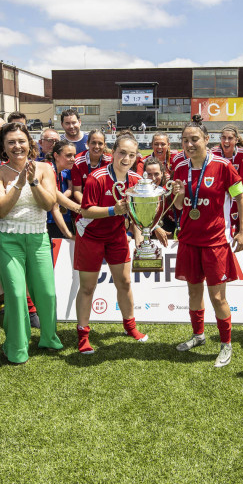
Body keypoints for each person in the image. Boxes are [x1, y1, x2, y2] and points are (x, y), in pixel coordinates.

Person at [171, 115, 243, 367]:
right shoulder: (180, 168)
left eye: (194, 139)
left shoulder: (223, 166)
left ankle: (226, 345)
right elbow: (181, 206)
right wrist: (180, 195)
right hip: (189, 239)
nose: (189, 144)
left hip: (216, 241)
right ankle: (198, 335)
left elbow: (241, 199)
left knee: (217, 298)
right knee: (193, 291)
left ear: (206, 139)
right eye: (185, 140)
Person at [0, 122, 63, 364]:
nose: (17, 146)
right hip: (7, 239)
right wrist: (19, 183)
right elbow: (0, 210)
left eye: (21, 141)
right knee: (17, 294)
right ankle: (16, 347)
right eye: (11, 142)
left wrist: (33, 182)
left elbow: (48, 203)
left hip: (38, 237)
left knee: (47, 293)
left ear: (29, 143)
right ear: (3, 147)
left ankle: (49, 337)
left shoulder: (44, 168)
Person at [73, 133, 154, 354]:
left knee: (125, 282)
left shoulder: (136, 181)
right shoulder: (96, 178)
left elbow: (137, 213)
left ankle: (130, 327)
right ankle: (83, 334)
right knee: (88, 287)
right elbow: (85, 210)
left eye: (131, 155)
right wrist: (113, 210)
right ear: (113, 153)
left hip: (116, 236)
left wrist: (139, 234)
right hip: (90, 236)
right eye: (122, 153)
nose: (126, 158)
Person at [48, 138, 79, 240]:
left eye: (74, 155)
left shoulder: (60, 171)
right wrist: (82, 209)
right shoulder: (48, 169)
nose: (73, 159)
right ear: (56, 156)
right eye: (68, 155)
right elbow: (55, 205)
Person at [71, 129, 111, 202]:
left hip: (103, 202)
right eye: (93, 143)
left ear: (104, 145)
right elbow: (77, 191)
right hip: (84, 203)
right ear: (87, 143)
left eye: (100, 143)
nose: (96, 146)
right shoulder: (77, 162)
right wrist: (88, 206)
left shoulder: (110, 161)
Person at [143, 156, 177, 237]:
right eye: (149, 174)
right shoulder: (139, 192)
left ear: (162, 173)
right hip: (145, 233)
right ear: (144, 174)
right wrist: (156, 227)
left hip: (166, 233)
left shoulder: (168, 192)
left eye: (156, 174)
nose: (153, 178)